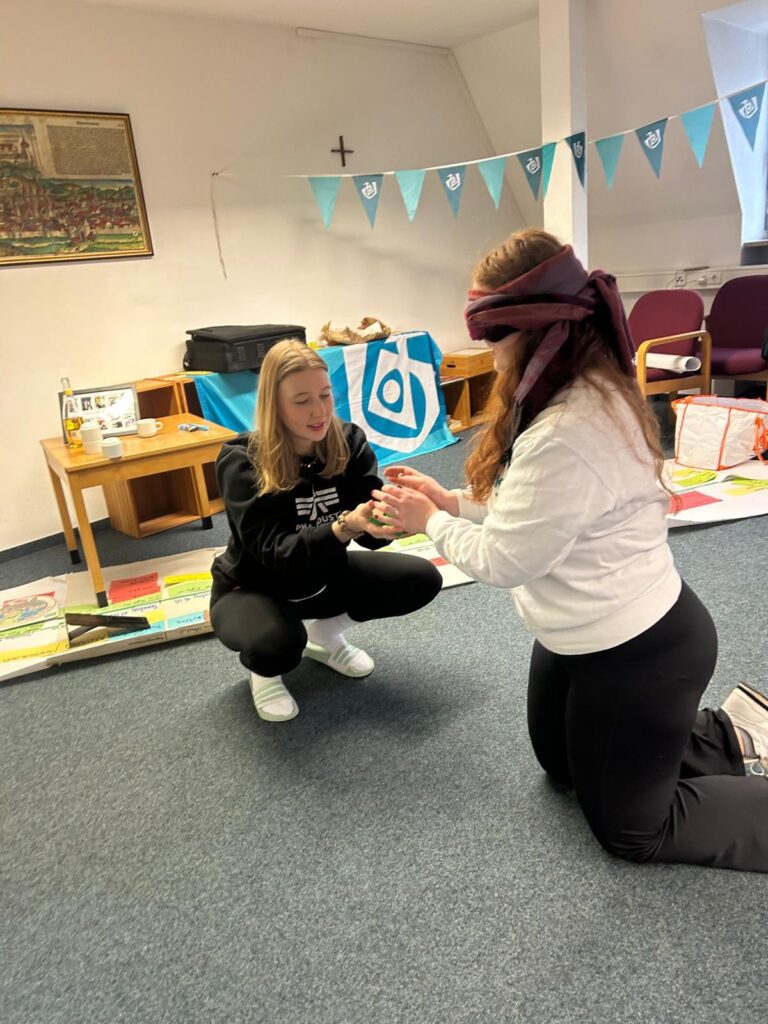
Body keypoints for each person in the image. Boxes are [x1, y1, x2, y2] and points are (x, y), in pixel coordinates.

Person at [373, 228, 768, 872]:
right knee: (562, 767)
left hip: (639, 648)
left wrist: (429, 523)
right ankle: (711, 735)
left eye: (491, 334)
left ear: (533, 329)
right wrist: (449, 503)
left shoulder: (567, 427)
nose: (486, 349)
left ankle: (727, 741)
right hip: (582, 634)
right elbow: (534, 515)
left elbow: (506, 560)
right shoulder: (569, 391)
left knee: (632, 831)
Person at [210, 339, 442, 723]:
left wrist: (393, 519)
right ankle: (265, 672)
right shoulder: (242, 461)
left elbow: (368, 533)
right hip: (253, 585)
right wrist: (343, 526)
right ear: (274, 405)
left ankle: (325, 637)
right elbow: (274, 554)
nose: (319, 411)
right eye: (302, 401)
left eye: (325, 394)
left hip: (321, 576)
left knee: (421, 579)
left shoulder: (349, 441)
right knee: (278, 644)